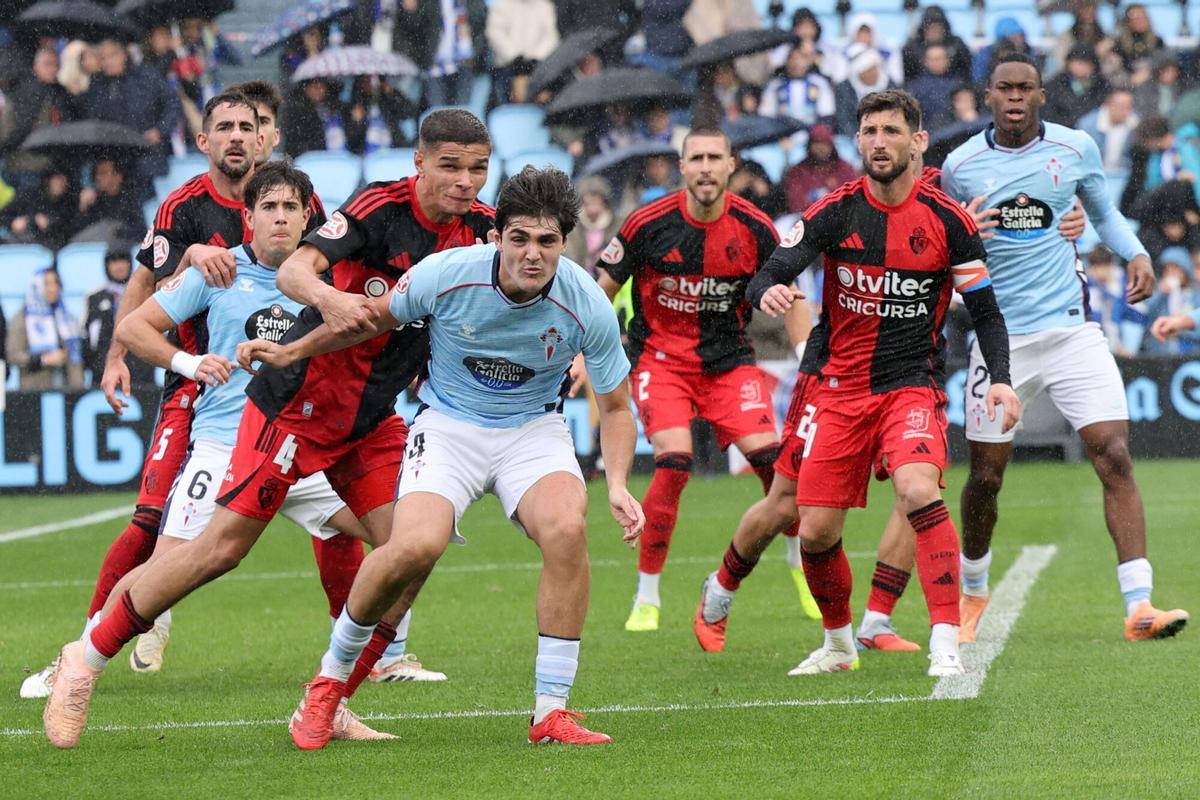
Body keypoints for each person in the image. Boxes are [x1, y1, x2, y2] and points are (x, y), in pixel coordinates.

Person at [41, 109, 496, 750]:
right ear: (419, 162)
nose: (465, 181)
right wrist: (331, 300)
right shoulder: (376, 209)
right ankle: (84, 658)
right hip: (291, 408)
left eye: (478, 169)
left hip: (369, 420)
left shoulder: (486, 231)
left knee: (414, 550)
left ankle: (330, 695)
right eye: (450, 166)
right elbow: (293, 274)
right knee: (216, 553)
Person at [263, 165, 642, 749]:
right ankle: (327, 685)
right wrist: (294, 351)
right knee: (414, 546)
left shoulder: (586, 302)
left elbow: (616, 407)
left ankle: (551, 711)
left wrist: (616, 484)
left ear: (565, 243)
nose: (532, 254)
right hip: (448, 427)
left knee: (567, 531)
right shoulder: (445, 273)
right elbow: (366, 322)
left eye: (546, 241)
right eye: (519, 238)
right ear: (496, 236)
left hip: (532, 432)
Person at [20, 91, 346, 702]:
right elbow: (143, 286)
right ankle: (89, 645)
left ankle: (362, 658)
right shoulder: (183, 206)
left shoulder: (298, 202)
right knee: (151, 523)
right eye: (225, 127)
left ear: (266, 137)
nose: (238, 137)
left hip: (292, 409)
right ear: (204, 140)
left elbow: (330, 271)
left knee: (355, 524)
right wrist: (118, 357)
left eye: (249, 126)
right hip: (200, 388)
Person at [720, 89, 1020, 677]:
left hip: (910, 384)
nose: (879, 142)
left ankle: (944, 638)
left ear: (917, 141)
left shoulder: (949, 221)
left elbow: (986, 312)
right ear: (857, 141)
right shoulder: (834, 211)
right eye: (870, 132)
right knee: (815, 530)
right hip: (838, 389)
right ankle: (838, 644)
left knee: (917, 490)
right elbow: (769, 272)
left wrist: (1002, 380)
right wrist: (769, 290)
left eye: (891, 131)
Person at [941, 53, 1188, 644]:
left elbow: (1103, 212)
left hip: (1072, 329)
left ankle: (1139, 604)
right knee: (986, 477)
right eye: (1005, 89)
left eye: (1025, 88)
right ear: (989, 96)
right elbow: (948, 246)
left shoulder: (1075, 148)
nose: (1015, 98)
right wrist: (964, 231)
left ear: (1041, 95)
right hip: (1000, 337)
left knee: (1115, 455)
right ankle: (973, 591)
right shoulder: (960, 166)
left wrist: (1136, 253)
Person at [596, 128, 820, 632]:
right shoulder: (647, 223)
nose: (704, 167)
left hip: (729, 364)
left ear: (730, 165)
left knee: (775, 466)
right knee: (674, 463)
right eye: (695, 158)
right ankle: (647, 596)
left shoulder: (755, 227)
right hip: (662, 361)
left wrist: (807, 362)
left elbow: (793, 297)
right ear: (682, 167)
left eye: (713, 157)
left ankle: (799, 565)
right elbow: (599, 290)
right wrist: (582, 351)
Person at [81, 249, 154, 387]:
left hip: (142, 372)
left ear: (130, 263)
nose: (119, 266)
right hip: (103, 372)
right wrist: (95, 364)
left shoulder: (146, 293)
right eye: (114, 261)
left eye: (123, 260)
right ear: (107, 266)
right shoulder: (93, 298)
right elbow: (86, 337)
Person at [4, 269, 84, 390]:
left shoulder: (68, 318)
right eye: (46, 284)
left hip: (66, 390)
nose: (53, 289)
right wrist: (43, 359)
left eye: (56, 283)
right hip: (33, 390)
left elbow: (76, 357)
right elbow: (13, 355)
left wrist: (78, 389)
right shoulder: (23, 318)